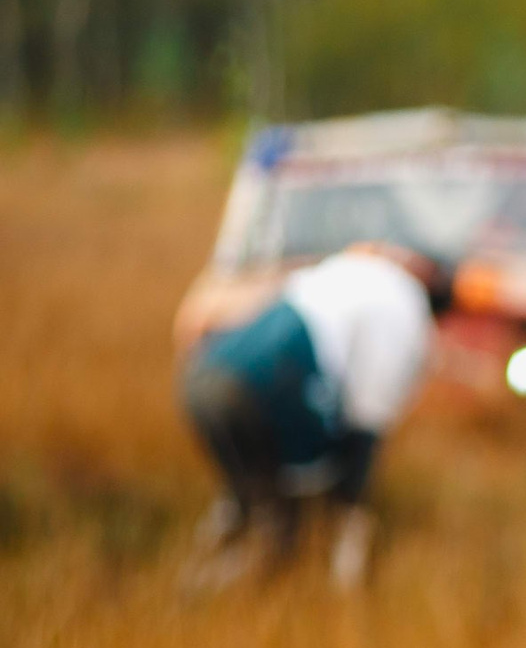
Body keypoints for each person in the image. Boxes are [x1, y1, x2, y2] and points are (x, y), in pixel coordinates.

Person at [174, 241, 448, 590]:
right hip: (266, 387)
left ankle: (197, 582)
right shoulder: (406, 305)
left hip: (201, 379)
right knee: (284, 520)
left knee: (247, 497)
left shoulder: (343, 269)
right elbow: (371, 408)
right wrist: (354, 488)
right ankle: (243, 591)